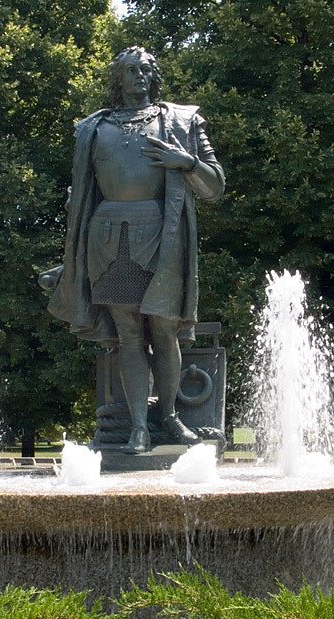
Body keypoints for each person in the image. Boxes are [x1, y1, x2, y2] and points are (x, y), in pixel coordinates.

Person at [48, 46, 225, 453]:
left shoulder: (181, 121)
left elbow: (215, 185)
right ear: (118, 78)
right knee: (128, 335)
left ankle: (170, 418)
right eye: (131, 70)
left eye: (146, 70)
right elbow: (83, 192)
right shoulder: (93, 128)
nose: (140, 76)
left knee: (164, 331)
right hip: (109, 239)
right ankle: (139, 428)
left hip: (163, 238)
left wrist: (187, 162)